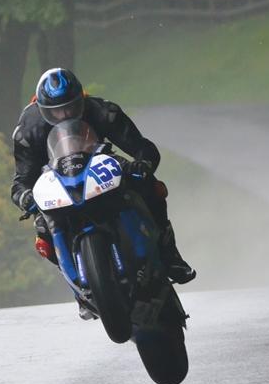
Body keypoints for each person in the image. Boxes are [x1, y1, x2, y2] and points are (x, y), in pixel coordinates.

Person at [11, 68, 196, 319]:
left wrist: (143, 165)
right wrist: (25, 197)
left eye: (70, 107)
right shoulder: (28, 130)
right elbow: (21, 179)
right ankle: (78, 289)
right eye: (56, 111)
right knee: (42, 228)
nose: (64, 115)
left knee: (150, 187)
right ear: (43, 110)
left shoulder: (103, 112)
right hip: (58, 180)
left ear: (81, 100)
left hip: (99, 168)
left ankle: (170, 254)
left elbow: (143, 148)